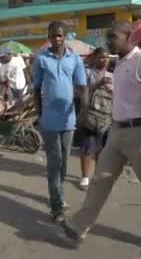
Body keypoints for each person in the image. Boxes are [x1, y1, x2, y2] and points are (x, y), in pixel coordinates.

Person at [59, 22, 141, 259]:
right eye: (109, 37)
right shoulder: (119, 63)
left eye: (113, 36)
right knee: (100, 181)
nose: (109, 41)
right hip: (117, 132)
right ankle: (78, 226)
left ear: (130, 36)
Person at [33, 21, 88, 222]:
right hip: (48, 120)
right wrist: (39, 113)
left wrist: (85, 110)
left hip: (68, 119)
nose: (56, 39)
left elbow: (83, 87)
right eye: (52, 35)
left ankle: (59, 194)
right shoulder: (41, 60)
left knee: (64, 163)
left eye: (59, 35)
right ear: (48, 37)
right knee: (54, 163)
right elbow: (36, 89)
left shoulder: (74, 59)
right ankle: (56, 207)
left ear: (65, 37)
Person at [75, 47, 113, 191]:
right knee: (87, 147)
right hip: (89, 115)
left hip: (107, 116)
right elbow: (79, 92)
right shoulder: (87, 72)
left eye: (107, 57)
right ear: (95, 58)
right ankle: (85, 176)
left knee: (103, 149)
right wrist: (98, 84)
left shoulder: (112, 75)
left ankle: (98, 175)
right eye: (101, 57)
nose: (104, 59)